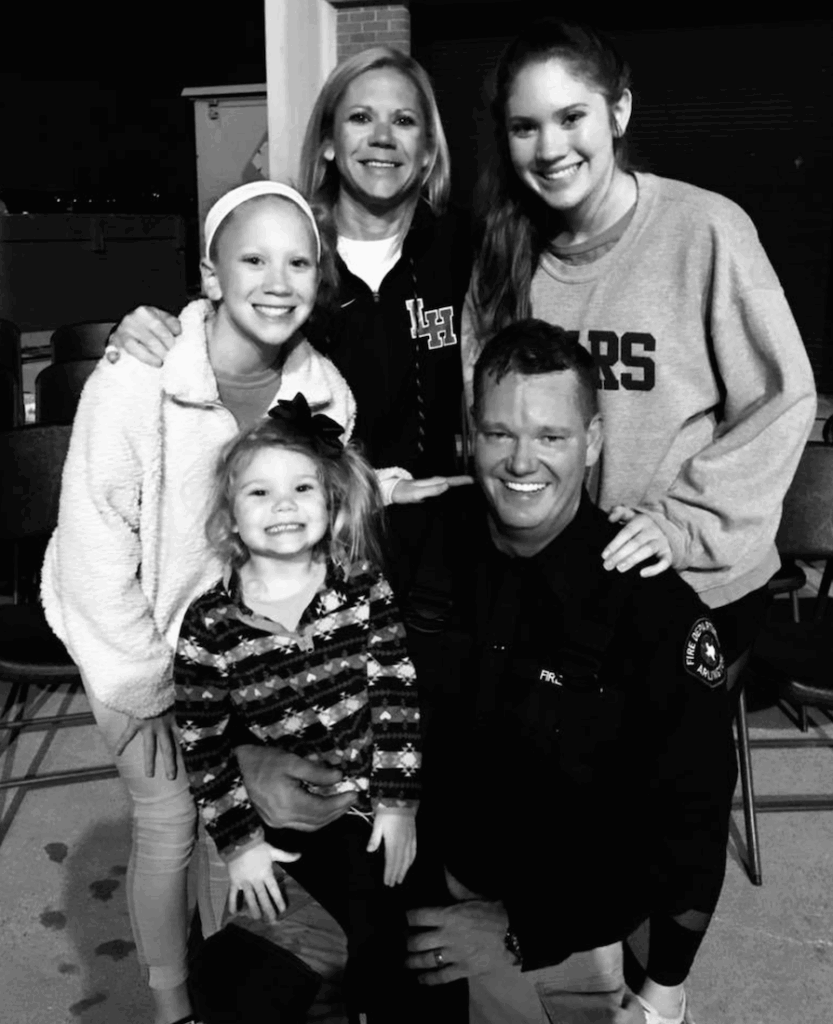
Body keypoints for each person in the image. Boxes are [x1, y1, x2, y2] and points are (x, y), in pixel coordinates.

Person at [40, 180, 359, 1024]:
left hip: (240, 657)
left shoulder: (326, 399)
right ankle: (172, 1005)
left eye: (298, 261)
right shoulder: (138, 378)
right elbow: (94, 540)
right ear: (212, 276)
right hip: (134, 645)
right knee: (171, 820)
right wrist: (146, 687)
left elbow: (318, 543)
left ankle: (232, 981)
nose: (277, 279)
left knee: (243, 831)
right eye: (253, 258)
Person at [403, 319, 739, 1024]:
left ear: (591, 440)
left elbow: (686, 834)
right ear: (472, 434)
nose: (522, 462)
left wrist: (520, 929)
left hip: (562, 930)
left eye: (550, 437)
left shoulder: (651, 611)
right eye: (500, 434)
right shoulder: (421, 539)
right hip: (419, 890)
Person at [462, 18, 816, 670]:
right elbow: (484, 419)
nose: (549, 147)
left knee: (649, 765)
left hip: (687, 579)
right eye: (525, 127)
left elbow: (781, 399)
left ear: (618, 111)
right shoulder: (502, 257)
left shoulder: (703, 228)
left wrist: (681, 523)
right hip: (555, 583)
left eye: (571, 117)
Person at [107, 45, 473, 612]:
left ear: (427, 152)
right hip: (304, 552)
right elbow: (220, 317)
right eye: (359, 117)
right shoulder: (292, 251)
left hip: (434, 543)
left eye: (403, 120)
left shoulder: (462, 249)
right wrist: (144, 328)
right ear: (327, 141)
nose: (381, 136)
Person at [174, 394, 422, 1022]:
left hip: (379, 798)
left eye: (302, 487)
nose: (283, 505)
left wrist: (398, 801)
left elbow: (396, 698)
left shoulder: (364, 586)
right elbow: (202, 745)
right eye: (258, 493)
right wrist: (240, 845)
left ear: (331, 505)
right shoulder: (208, 624)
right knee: (258, 964)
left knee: (392, 937)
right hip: (298, 819)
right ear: (229, 519)